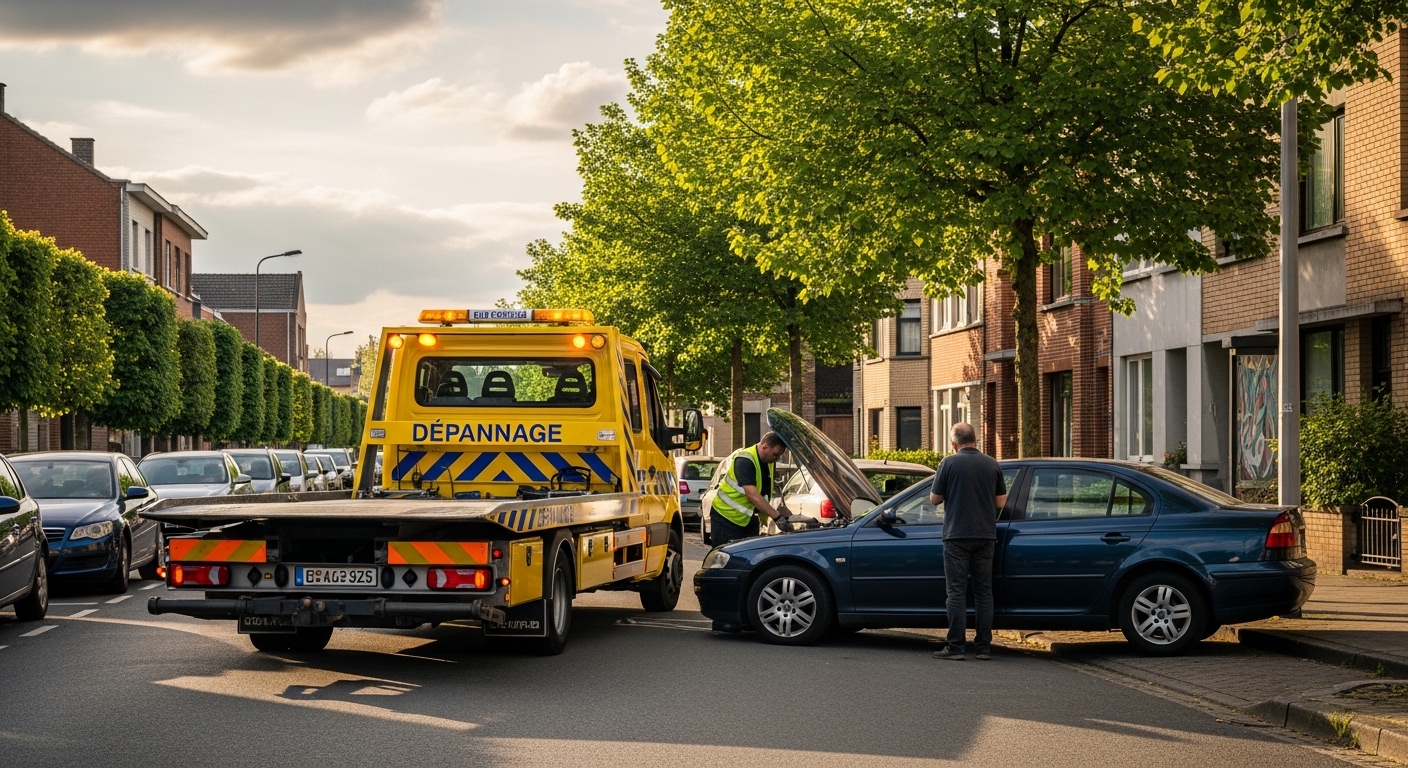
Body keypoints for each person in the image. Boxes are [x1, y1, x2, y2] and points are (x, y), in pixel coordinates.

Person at [928, 422, 1007, 661]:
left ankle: (955, 648)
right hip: (985, 535)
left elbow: (934, 499)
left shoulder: (948, 463)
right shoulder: (992, 464)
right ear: (976, 439)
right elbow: (1001, 502)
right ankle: (983, 648)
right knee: (984, 592)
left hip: (956, 536)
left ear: (954, 444)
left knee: (956, 593)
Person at [710, 431, 790, 549]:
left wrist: (787, 515)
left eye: (778, 456)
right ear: (765, 447)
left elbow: (765, 491)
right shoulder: (744, 460)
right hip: (726, 517)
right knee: (725, 559)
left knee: (747, 557)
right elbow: (752, 494)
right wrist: (777, 517)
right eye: (775, 454)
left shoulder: (768, 461)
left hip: (747, 520)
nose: (776, 459)